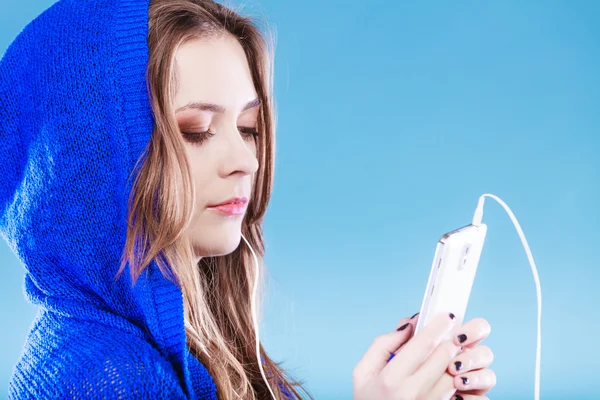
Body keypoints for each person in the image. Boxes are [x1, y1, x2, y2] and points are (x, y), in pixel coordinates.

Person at [0, 0, 496, 399]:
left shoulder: (189, 352)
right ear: (89, 163)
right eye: (196, 131)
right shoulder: (104, 378)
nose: (247, 161)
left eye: (248, 128)